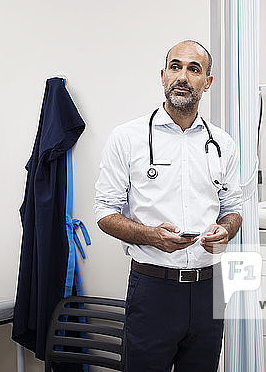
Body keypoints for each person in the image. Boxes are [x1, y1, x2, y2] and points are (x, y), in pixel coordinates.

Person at [94, 40, 242, 372]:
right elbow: (104, 211)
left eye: (194, 69)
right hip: (153, 291)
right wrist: (150, 236)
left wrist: (226, 229)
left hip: (207, 290)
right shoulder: (127, 138)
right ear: (163, 75)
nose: (183, 76)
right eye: (175, 67)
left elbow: (233, 208)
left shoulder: (222, 144)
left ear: (208, 82)